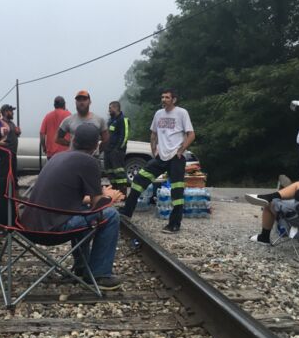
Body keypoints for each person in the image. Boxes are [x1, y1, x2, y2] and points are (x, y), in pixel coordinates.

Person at [21, 124, 124, 290]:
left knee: (82, 212)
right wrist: (109, 197)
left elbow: (66, 196)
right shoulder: (89, 161)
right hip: (52, 231)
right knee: (111, 215)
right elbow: (98, 208)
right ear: (96, 145)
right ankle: (100, 275)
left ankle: (82, 268)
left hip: (31, 226)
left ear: (73, 140)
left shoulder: (58, 157)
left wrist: (100, 194)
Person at [120, 88, 195, 234]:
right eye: (162, 97)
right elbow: (153, 134)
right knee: (139, 179)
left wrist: (181, 150)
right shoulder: (158, 114)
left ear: (174, 100)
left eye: (167, 97)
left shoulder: (182, 113)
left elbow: (191, 135)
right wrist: (154, 149)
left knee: (177, 192)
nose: (164, 100)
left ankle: (174, 224)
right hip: (161, 157)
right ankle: (126, 211)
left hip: (176, 158)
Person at [104, 101, 130, 194]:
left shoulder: (123, 119)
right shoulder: (111, 121)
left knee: (119, 174)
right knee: (110, 173)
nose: (109, 110)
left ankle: (122, 195)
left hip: (117, 152)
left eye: (110, 108)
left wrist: (118, 149)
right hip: (108, 151)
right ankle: (115, 194)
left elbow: (125, 136)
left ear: (116, 108)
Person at [1, 104, 21, 185]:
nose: (13, 113)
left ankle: (14, 187)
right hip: (6, 152)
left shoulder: (11, 123)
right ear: (6, 112)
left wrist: (18, 133)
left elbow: (15, 134)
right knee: (7, 172)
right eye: (11, 111)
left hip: (13, 152)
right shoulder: (1, 123)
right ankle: (8, 190)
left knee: (13, 171)